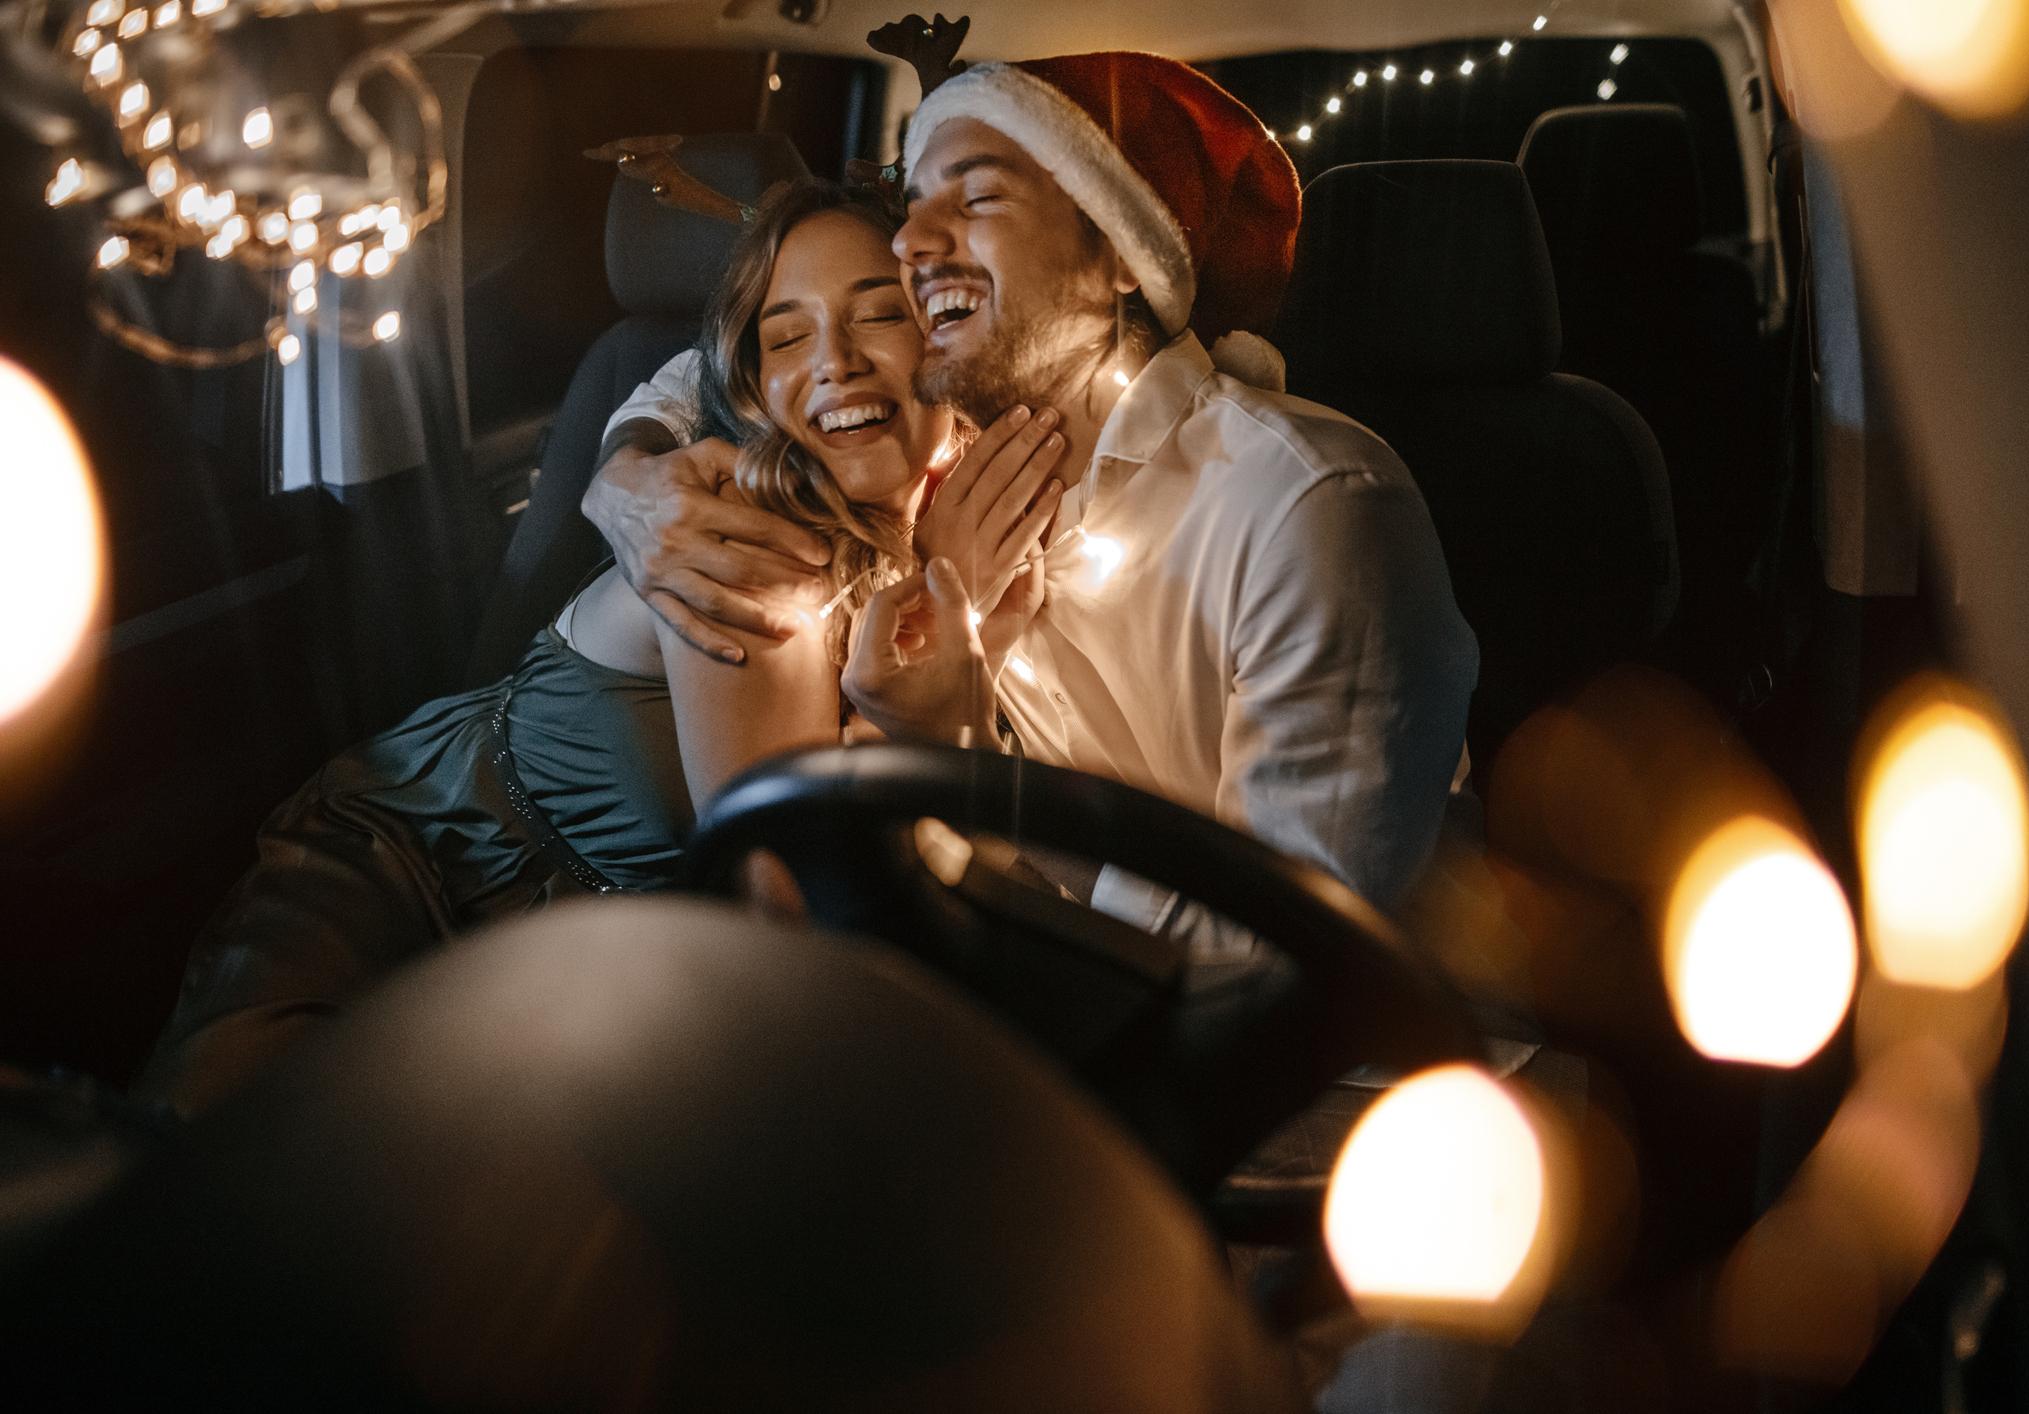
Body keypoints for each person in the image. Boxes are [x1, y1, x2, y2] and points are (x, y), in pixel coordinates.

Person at [137, 179, 1060, 1113]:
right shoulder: (744, 543)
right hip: (408, 874)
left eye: (881, 316)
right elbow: (786, 909)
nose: (836, 363)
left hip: (581, 978)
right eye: (786, 336)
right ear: (754, 388)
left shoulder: (977, 525)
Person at [588, 52, 1480, 954]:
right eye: (914, 211)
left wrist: (963, 768)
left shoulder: (1306, 506)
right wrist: (625, 467)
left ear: (1120, 254)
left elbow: (1284, 963)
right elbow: (744, 370)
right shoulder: (965, 479)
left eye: (975, 200)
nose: (910, 246)